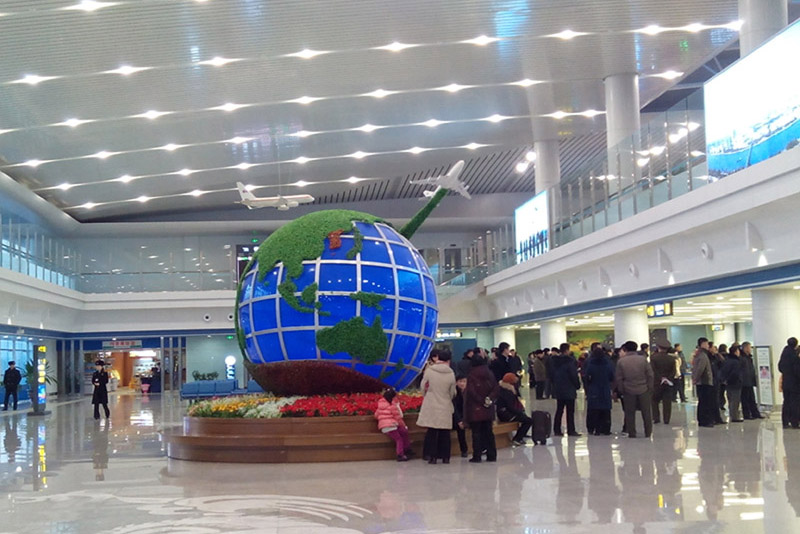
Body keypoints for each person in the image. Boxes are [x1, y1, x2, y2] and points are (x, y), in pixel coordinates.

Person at [416, 349, 456, 464]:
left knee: (432, 431)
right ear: (448, 360)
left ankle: (432, 457)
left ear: (438, 358)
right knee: (445, 433)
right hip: (445, 404)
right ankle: (445, 457)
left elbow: (423, 386)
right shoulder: (451, 373)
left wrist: (427, 396)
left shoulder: (430, 371)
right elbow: (452, 392)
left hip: (431, 404)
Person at [464, 353, 499, 463]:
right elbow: (496, 388)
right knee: (489, 432)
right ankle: (491, 455)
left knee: (476, 433)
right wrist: (488, 399)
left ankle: (477, 456)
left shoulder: (471, 375)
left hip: (475, 409)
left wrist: (480, 400)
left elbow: (471, 392)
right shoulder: (489, 373)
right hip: (488, 408)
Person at [615, 341, 654, 438]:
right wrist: (650, 387)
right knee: (646, 412)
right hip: (643, 388)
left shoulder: (621, 361)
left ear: (625, 349)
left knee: (629, 413)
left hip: (628, 390)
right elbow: (650, 375)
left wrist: (621, 390)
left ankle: (632, 433)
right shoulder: (643, 360)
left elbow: (619, 378)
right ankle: (648, 432)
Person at [549, 342, 582, 437]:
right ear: (567, 350)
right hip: (569, 389)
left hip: (558, 389)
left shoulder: (554, 361)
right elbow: (573, 375)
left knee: (559, 410)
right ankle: (571, 430)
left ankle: (557, 430)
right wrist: (577, 385)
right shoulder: (569, 361)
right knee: (570, 411)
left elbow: (551, 375)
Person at [375, 388, 413, 461]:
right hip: (391, 426)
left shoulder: (380, 405)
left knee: (403, 432)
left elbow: (376, 415)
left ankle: (407, 449)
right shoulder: (393, 406)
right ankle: (400, 454)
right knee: (399, 439)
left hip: (384, 427)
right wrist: (404, 425)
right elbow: (399, 418)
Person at [584, 346, 615, 435]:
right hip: (605, 389)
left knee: (594, 409)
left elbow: (587, 377)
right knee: (605, 410)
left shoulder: (590, 364)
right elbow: (612, 377)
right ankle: (605, 429)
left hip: (594, 389)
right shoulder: (608, 364)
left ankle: (593, 428)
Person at [496, 373, 533, 446]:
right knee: (528, 420)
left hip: (503, 413)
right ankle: (517, 438)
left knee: (523, 417)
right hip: (507, 415)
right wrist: (519, 412)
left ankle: (521, 435)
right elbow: (511, 407)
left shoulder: (503, 389)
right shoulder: (507, 392)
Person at [650, 342, 676, 425]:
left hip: (657, 383)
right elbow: (673, 371)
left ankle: (656, 418)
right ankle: (666, 419)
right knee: (667, 402)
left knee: (654, 401)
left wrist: (660, 378)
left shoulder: (653, 358)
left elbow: (653, 370)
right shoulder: (671, 359)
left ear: (659, 347)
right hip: (668, 383)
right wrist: (667, 379)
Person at [693, 338, 716, 428]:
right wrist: (696, 378)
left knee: (702, 401)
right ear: (702, 344)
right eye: (706, 344)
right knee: (705, 402)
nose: (708, 346)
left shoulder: (698, 354)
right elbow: (700, 369)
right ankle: (705, 420)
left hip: (702, 382)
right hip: (704, 382)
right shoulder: (703, 355)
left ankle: (702, 420)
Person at [778, 337, 800, 429]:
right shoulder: (794, 356)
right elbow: (797, 371)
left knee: (786, 402)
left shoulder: (784, 354)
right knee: (795, 403)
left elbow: (780, 367)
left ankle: (785, 422)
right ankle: (794, 422)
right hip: (794, 384)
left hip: (786, 382)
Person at [719, 344, 744, 423]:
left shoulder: (727, 360)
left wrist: (725, 380)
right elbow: (735, 373)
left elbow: (723, 371)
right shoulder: (736, 362)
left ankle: (732, 414)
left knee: (730, 399)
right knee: (735, 400)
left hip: (728, 383)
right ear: (736, 352)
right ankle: (735, 416)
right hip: (735, 383)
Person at [739, 342, 763, 419]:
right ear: (745, 348)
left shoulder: (748, 358)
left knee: (752, 398)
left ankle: (755, 413)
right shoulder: (742, 358)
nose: (750, 349)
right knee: (745, 399)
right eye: (749, 348)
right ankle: (747, 414)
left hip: (749, 381)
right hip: (744, 382)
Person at [453, 375, 468, 457]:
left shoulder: (468, 393)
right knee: (460, 428)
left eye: (464, 381)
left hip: (466, 418)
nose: (462, 384)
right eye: (460, 381)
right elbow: (454, 409)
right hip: (455, 419)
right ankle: (464, 450)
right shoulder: (455, 393)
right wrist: (459, 420)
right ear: (456, 383)